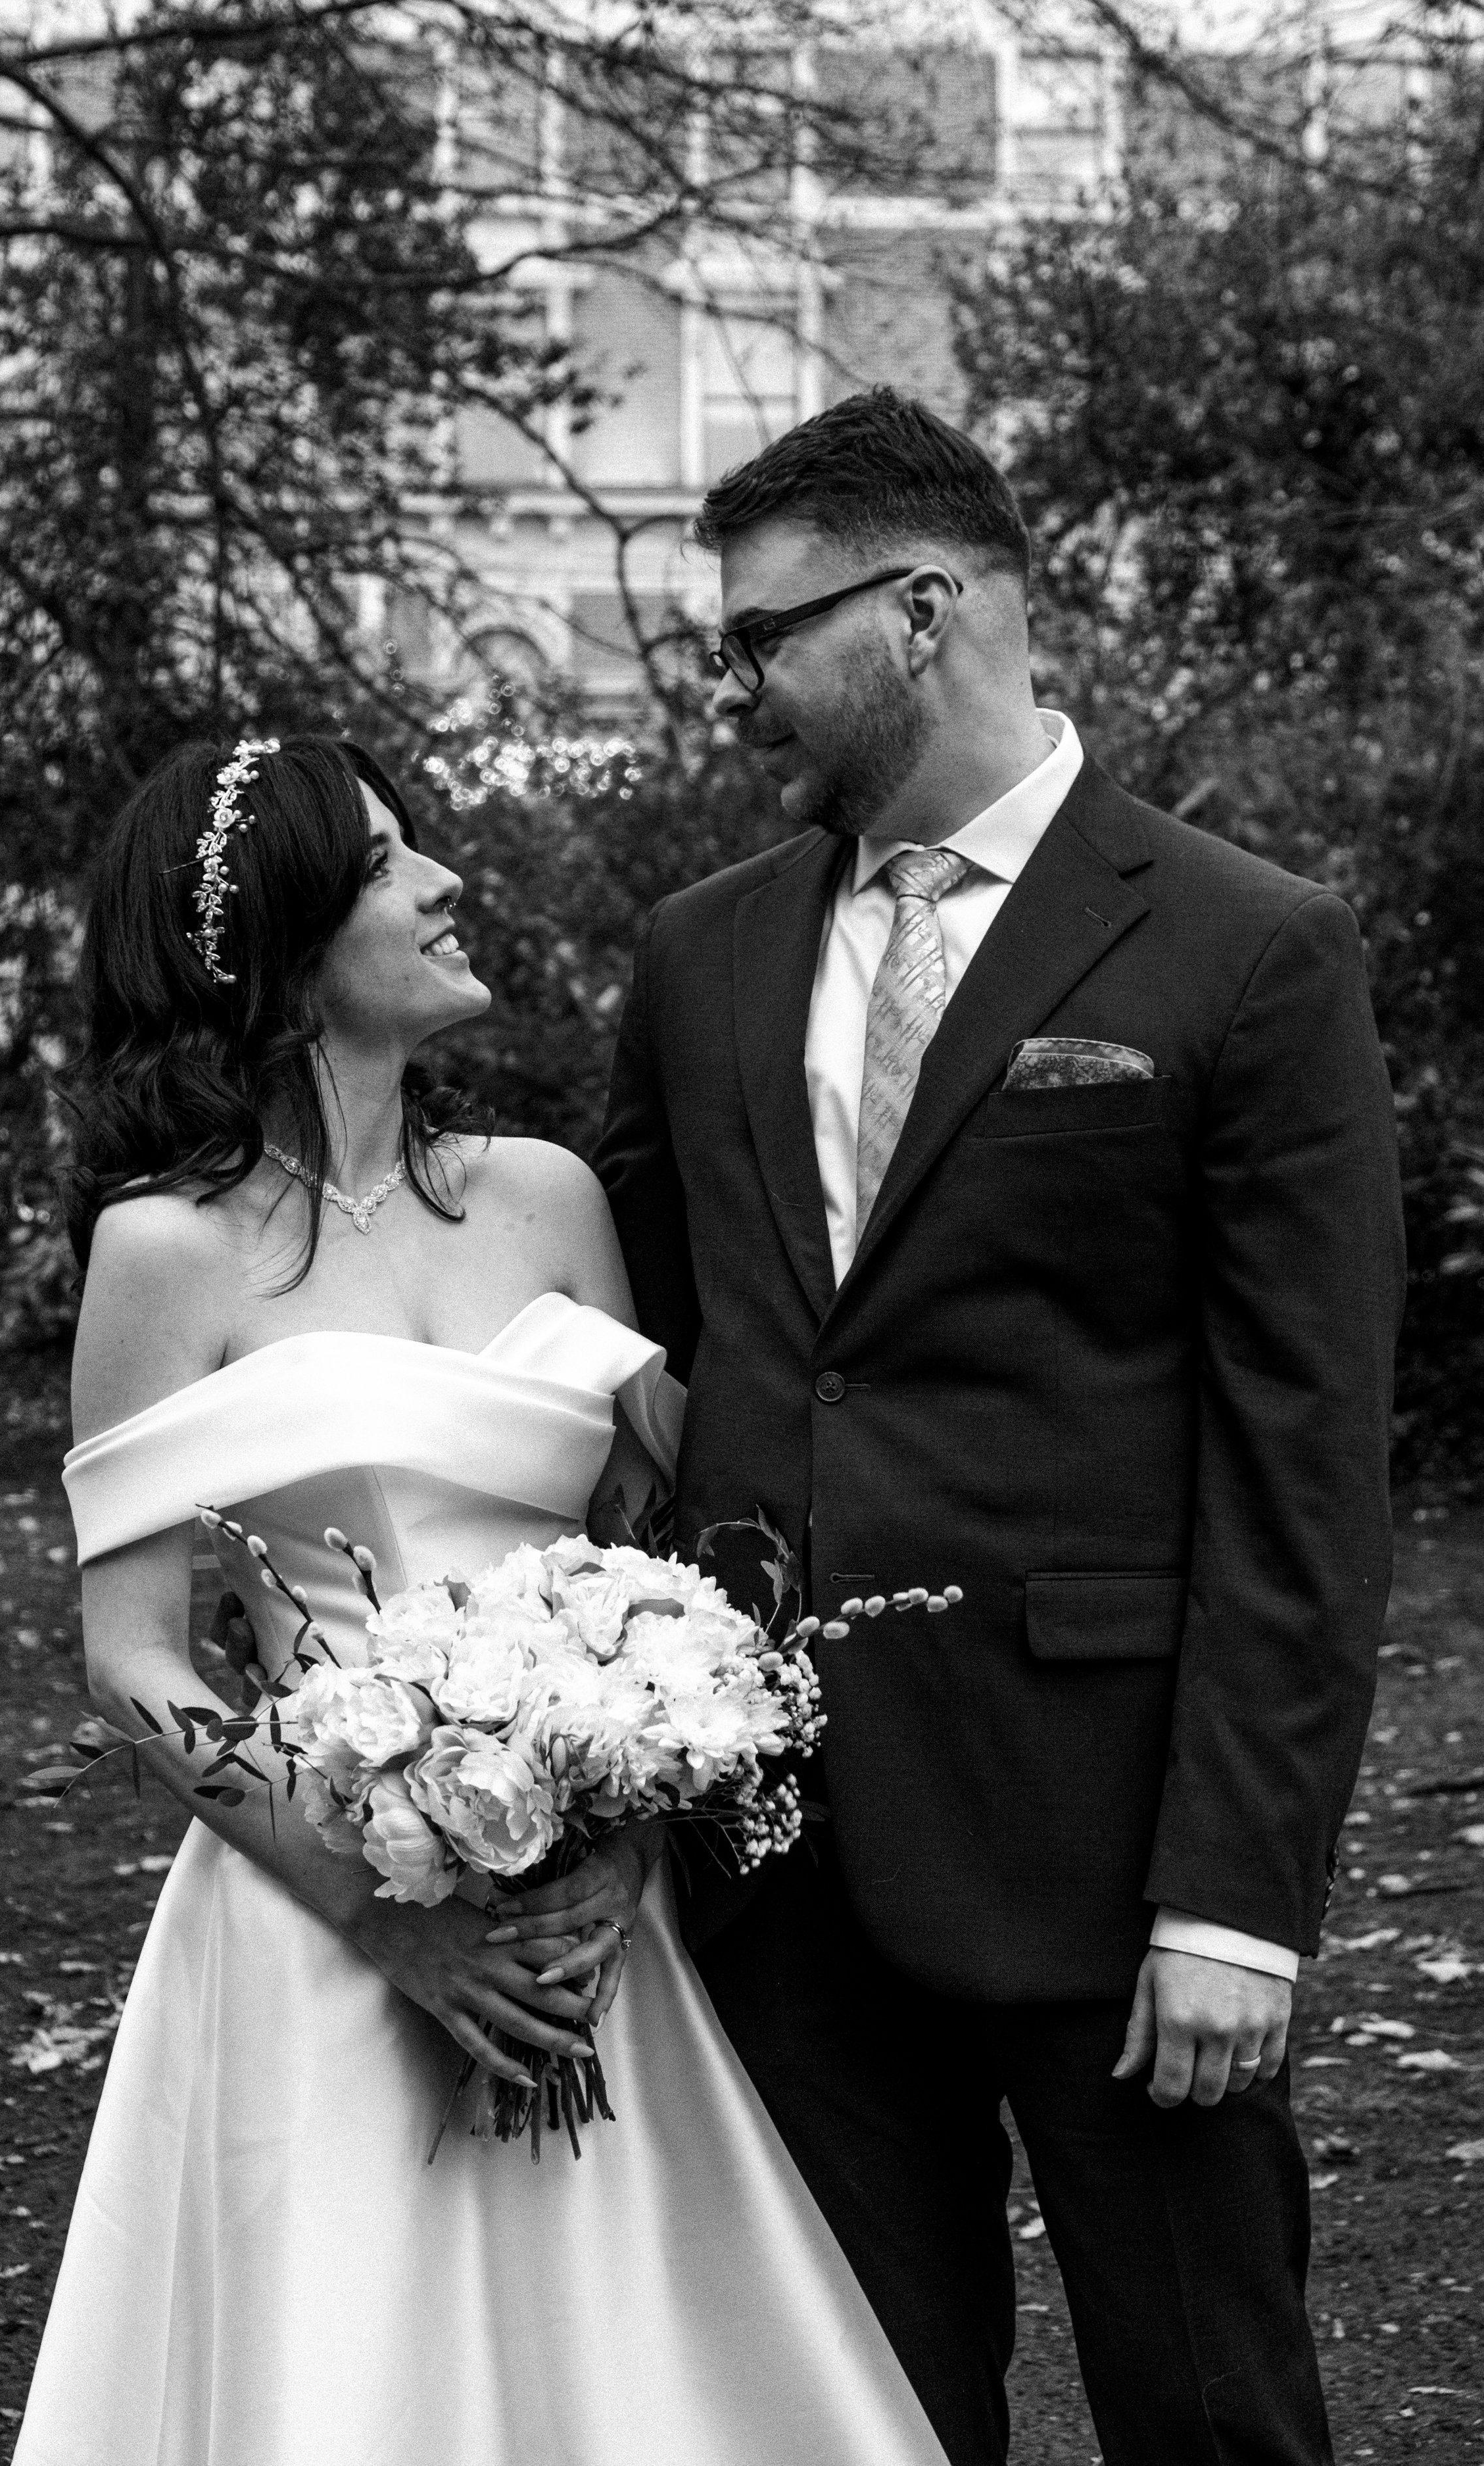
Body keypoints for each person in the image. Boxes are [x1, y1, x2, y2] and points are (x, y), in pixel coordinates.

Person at [594, 388, 1406, 2465]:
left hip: (1108, 1838)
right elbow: (661, 1352)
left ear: (923, 608)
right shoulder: (700, 958)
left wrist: (1235, 1897)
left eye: (765, 635)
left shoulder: (1244, 946)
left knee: (1209, 2405)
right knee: (852, 2417)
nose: (738, 689)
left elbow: (1304, 1456)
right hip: (781, 1855)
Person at [12, 735, 947, 2466]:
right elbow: (135, 1659)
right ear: (281, 946)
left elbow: (657, 1565)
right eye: (386, 862)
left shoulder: (546, 1196)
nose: (445, 881)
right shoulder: (165, 1253)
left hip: (596, 1915)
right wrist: (390, 1915)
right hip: (320, 1922)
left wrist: (631, 1812)